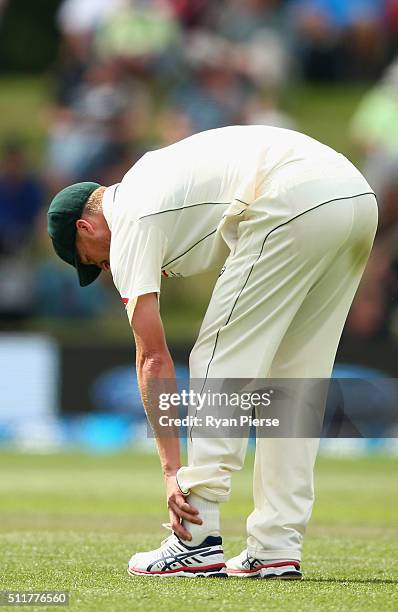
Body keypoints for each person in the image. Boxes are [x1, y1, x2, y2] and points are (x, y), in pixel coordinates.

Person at [47, 125, 377, 579]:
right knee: (293, 380)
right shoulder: (154, 180)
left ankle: (196, 540)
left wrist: (172, 474)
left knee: (215, 362)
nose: (108, 269)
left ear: (86, 227)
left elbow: (154, 359)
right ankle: (277, 545)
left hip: (293, 198)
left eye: (95, 260)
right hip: (356, 196)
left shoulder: (128, 221)